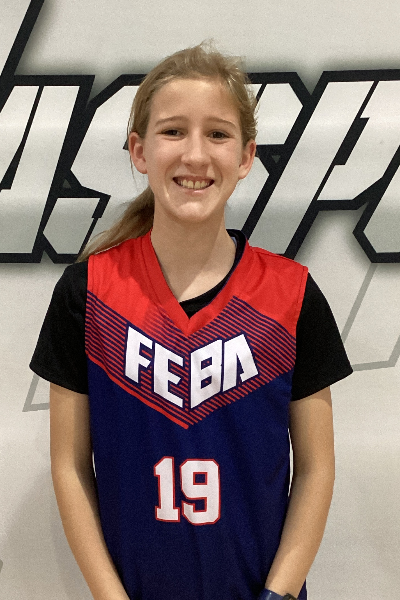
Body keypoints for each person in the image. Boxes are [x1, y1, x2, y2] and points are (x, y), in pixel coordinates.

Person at [30, 42, 353, 600]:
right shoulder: (87, 294)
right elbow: (69, 466)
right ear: (139, 150)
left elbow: (316, 470)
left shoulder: (292, 295)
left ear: (246, 157)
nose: (196, 155)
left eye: (218, 134)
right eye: (173, 131)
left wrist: (277, 596)